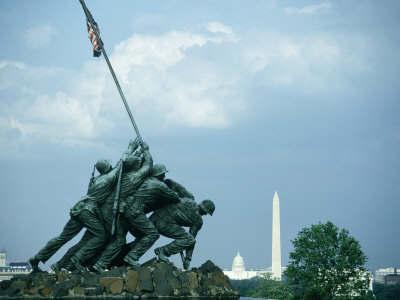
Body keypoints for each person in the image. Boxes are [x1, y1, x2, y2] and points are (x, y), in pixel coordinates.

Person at [28, 139, 139, 272]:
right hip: (87, 211)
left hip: (79, 209)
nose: (111, 167)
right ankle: (77, 260)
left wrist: (135, 154)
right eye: (110, 166)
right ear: (107, 168)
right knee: (102, 236)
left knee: (63, 237)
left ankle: (37, 257)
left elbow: (119, 166)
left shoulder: (97, 179)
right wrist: (130, 148)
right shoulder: (108, 179)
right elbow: (120, 165)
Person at [149, 198, 215, 270]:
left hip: (154, 217)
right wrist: (188, 259)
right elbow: (191, 241)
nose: (205, 215)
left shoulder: (188, 200)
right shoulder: (198, 220)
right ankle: (162, 251)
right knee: (189, 239)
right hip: (163, 223)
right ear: (204, 210)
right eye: (206, 213)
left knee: (185, 237)